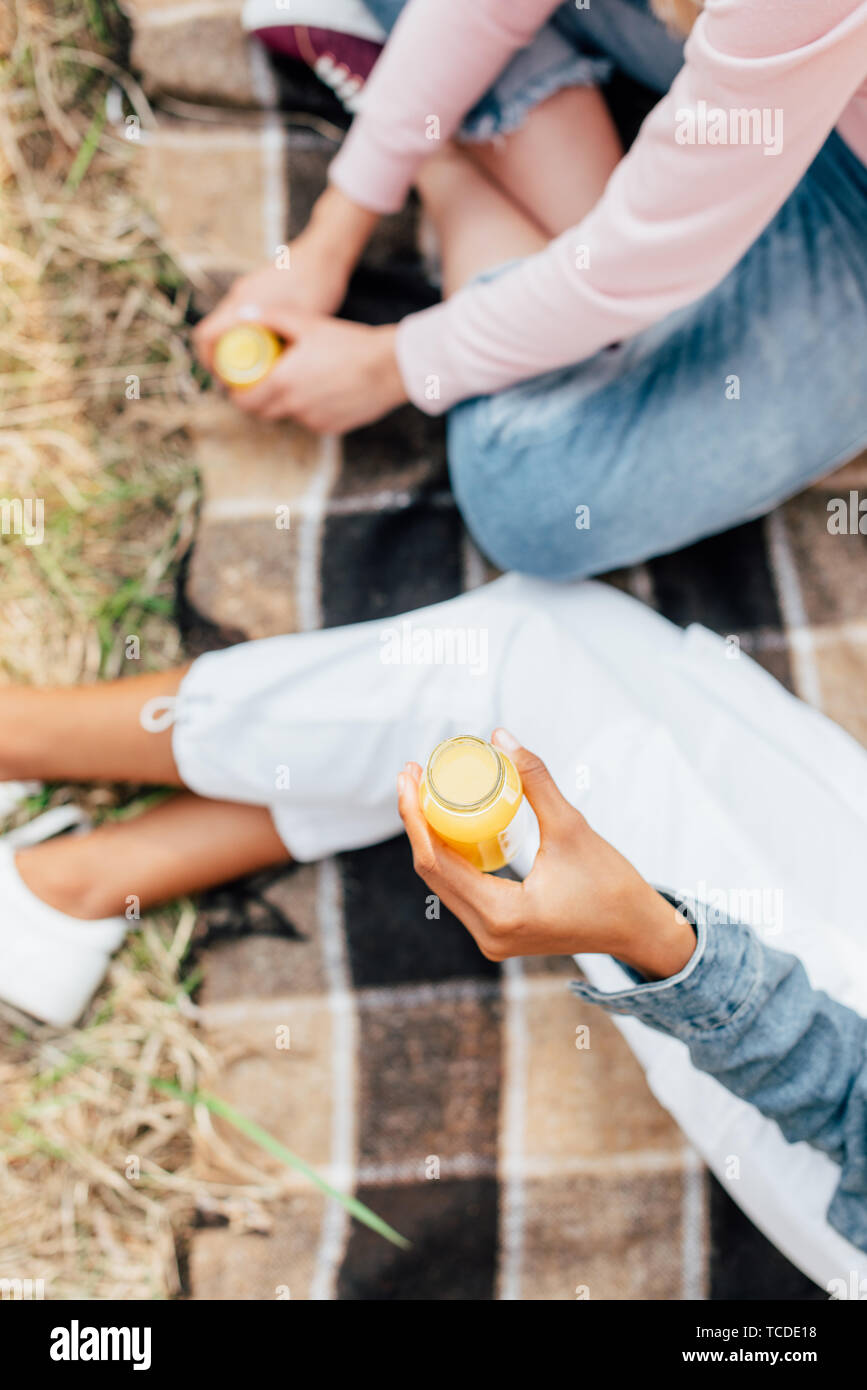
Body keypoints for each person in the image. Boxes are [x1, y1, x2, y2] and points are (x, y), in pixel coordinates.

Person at [1, 573, 866, 1286]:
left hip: (827, 1115)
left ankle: (21, 750)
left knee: (500, 668)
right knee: (560, 619)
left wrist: (653, 940)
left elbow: (832, 1091)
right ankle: (85, 885)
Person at [194, 0, 867, 580]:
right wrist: (331, 236)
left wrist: (392, 365)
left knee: (530, 492)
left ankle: (452, 170)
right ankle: (564, 281)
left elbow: (641, 260)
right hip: (766, 64)